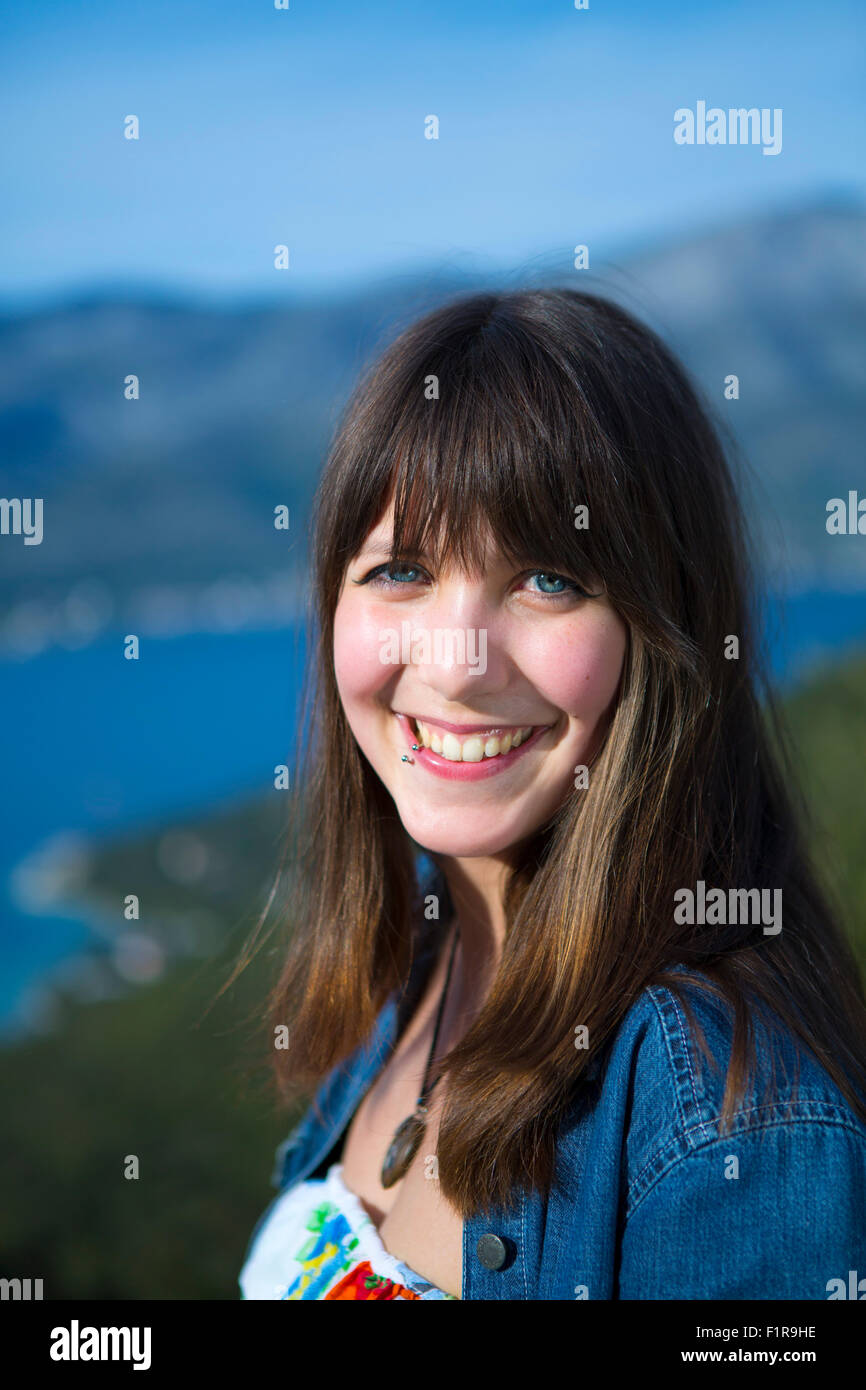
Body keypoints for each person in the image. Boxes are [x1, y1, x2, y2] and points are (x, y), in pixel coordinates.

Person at [239, 288, 866, 1300]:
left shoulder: (730, 1113)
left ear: (665, 632)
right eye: (400, 568)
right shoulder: (415, 962)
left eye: (546, 580)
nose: (454, 663)